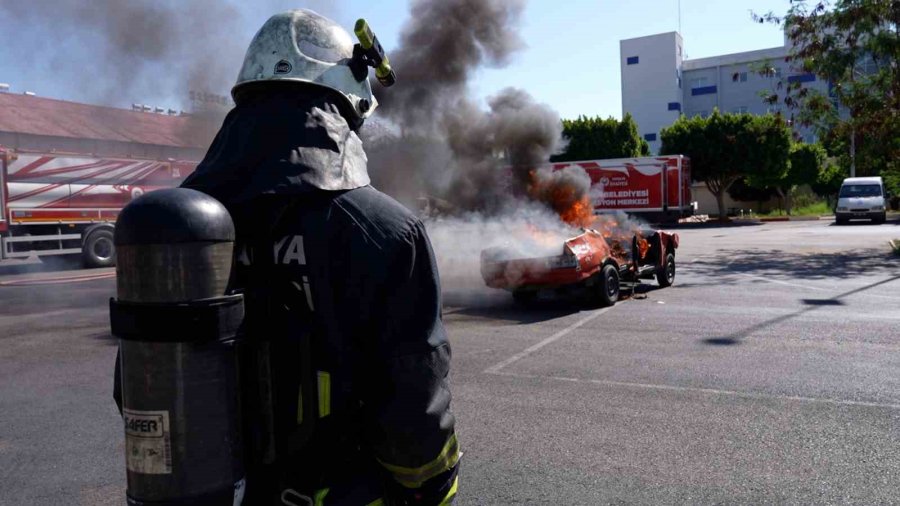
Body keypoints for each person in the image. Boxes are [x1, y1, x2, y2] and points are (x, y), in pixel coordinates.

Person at [132, 9, 459, 506]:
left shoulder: (179, 230)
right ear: (347, 106)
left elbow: (137, 388)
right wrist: (435, 488)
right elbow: (413, 409)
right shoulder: (388, 232)